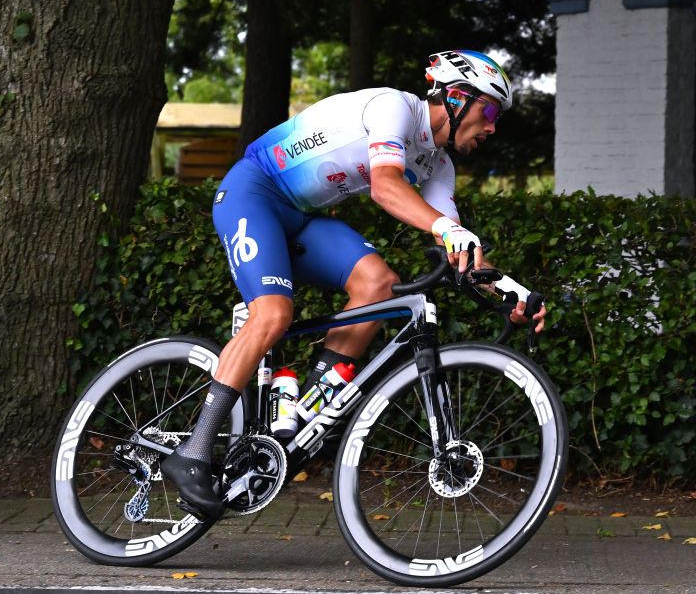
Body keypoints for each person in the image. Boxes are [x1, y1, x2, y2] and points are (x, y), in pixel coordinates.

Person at [161, 49, 547, 520]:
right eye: (488, 111)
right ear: (456, 97)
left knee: (380, 284)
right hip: (253, 192)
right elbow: (386, 186)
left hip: (300, 218)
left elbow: (461, 249)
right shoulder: (395, 108)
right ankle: (193, 453)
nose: (491, 127)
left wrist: (510, 293)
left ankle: (303, 411)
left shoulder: (438, 166)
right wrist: (447, 229)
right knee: (274, 314)